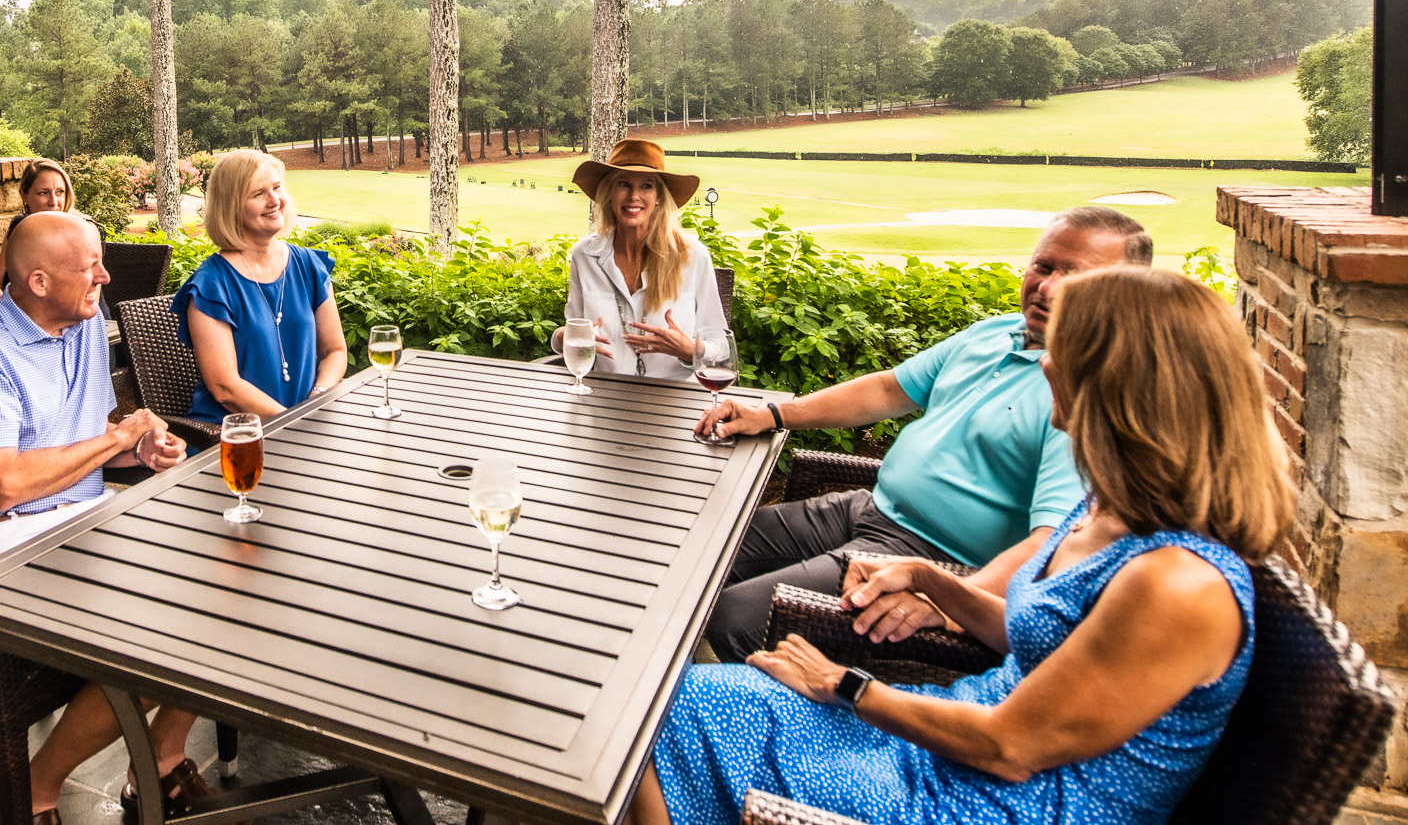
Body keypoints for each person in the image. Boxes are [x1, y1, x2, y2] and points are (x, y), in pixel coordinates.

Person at [631, 265, 1295, 825]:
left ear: (1118, 382)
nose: (1046, 360)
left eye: (1064, 348)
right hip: (957, 735)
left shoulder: (1178, 584)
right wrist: (932, 581)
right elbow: (1046, 637)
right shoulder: (1109, 508)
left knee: (657, 718)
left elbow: (1013, 747)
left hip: (997, 796)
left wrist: (843, 683)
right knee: (668, 702)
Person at [695, 206, 1151, 660]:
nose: (1047, 287)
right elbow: (888, 389)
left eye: (1076, 276)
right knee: (700, 547)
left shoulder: (1086, 393)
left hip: (931, 555)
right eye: (1043, 266)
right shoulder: (995, 333)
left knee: (733, 617)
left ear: (1125, 292)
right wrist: (773, 414)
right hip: (870, 507)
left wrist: (952, 600)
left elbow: (1051, 545)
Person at [0, 212, 199, 825]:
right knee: (163, 635)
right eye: (89, 266)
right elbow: (5, 486)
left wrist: (138, 450)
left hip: (79, 524)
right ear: (39, 282)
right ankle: (33, 794)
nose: (105, 276)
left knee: (226, 582)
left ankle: (161, 757)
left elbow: (86, 439)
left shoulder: (84, 324)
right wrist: (117, 438)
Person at [173, 150, 346, 427]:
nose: (274, 200)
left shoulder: (309, 265)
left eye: (277, 187)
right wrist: (294, 423)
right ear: (230, 207)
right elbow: (225, 388)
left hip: (305, 425)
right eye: (258, 194)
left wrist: (317, 397)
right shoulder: (211, 285)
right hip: (236, 435)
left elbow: (335, 351)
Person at [552, 138, 729, 380]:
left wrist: (690, 350)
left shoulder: (693, 255)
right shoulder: (585, 255)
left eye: (646, 186)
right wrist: (562, 337)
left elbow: (721, 346)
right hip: (605, 395)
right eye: (623, 184)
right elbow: (574, 330)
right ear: (610, 192)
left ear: (659, 196)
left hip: (676, 398)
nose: (633, 196)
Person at [0, 158, 77, 304]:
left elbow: (77, 305)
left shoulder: (80, 234)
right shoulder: (18, 228)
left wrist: (11, 306)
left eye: (59, 192)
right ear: (24, 195)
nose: (53, 202)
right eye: (43, 193)